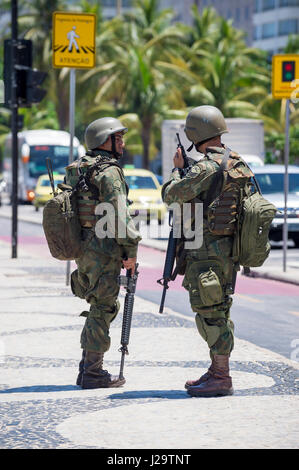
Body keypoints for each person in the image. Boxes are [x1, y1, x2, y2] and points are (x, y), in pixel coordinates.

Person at [162, 105, 253, 397]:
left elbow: (170, 195)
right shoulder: (238, 163)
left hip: (206, 253)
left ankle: (221, 376)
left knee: (209, 312)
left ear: (195, 135)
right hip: (228, 250)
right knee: (219, 310)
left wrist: (178, 169)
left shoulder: (206, 167)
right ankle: (216, 370)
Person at [65, 117, 141, 389]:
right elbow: (119, 215)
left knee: (98, 303)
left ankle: (87, 367)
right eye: (117, 138)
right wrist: (130, 251)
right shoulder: (109, 172)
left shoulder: (77, 168)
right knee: (104, 306)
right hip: (104, 249)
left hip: (83, 247)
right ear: (103, 142)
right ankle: (92, 372)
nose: (122, 143)